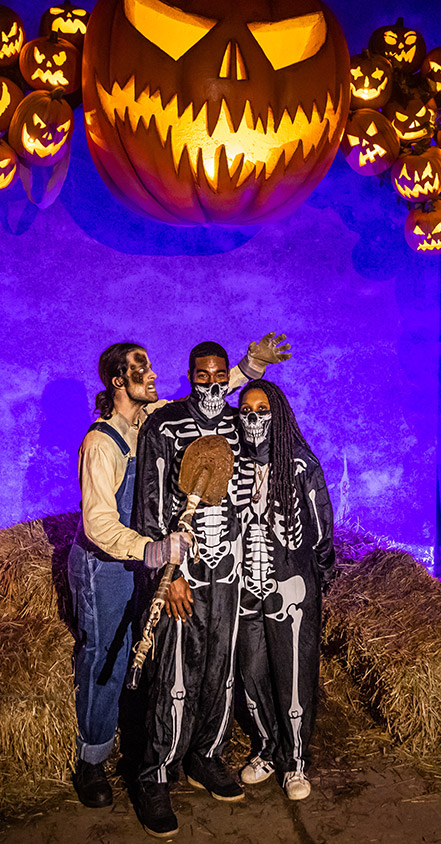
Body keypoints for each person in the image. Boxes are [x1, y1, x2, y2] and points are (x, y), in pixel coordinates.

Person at [69, 335, 289, 811]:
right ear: (117, 381)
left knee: (186, 663)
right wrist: (162, 565)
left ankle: (201, 754)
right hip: (108, 561)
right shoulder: (102, 442)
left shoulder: (152, 418)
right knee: (109, 656)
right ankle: (95, 762)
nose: (152, 374)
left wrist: (250, 366)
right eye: (140, 368)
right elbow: (101, 522)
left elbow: (209, 394)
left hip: (160, 556)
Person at [129, 341, 253, 838]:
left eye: (219, 375)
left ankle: (207, 754)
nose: (210, 383)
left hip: (230, 569)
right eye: (201, 375)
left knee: (221, 667)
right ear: (189, 375)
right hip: (186, 571)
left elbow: (246, 493)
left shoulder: (239, 425)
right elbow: (152, 502)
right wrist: (171, 574)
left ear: (227, 377)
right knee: (176, 668)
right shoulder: (166, 426)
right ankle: (155, 775)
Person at [233, 379, 334, 801]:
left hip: (290, 585)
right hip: (243, 588)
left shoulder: (300, 465)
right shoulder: (231, 462)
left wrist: (321, 577)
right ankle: (269, 749)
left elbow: (323, 529)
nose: (254, 418)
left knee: (294, 678)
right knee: (251, 673)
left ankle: (296, 762)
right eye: (247, 410)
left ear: (279, 414)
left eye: (262, 409)